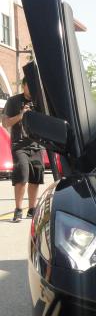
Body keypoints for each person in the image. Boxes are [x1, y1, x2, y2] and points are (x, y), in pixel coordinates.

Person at [1, 78, 44, 222]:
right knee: (22, 177)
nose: (31, 89)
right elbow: (5, 123)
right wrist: (21, 115)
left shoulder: (40, 102)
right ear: (23, 86)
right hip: (19, 146)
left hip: (37, 145)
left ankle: (32, 210)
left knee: (35, 179)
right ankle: (18, 209)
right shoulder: (13, 101)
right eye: (29, 86)